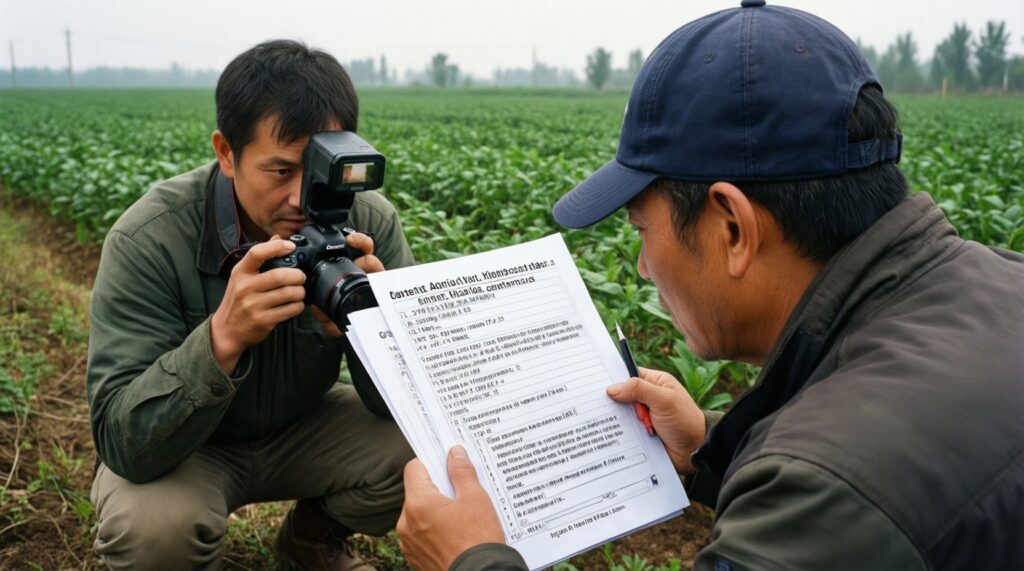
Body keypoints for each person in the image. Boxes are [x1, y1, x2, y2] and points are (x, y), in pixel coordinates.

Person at [395, 2, 1024, 570]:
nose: (642, 267)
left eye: (642, 230)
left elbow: (838, 488)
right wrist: (708, 451)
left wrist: (471, 561)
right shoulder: (1001, 277)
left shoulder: (826, 485)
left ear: (733, 228)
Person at [87, 40, 415, 570]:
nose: (299, 197)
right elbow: (121, 441)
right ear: (225, 152)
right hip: (190, 448)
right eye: (280, 171)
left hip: (304, 426)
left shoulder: (369, 221)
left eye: (319, 171)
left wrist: (371, 334)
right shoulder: (150, 236)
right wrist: (221, 341)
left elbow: (419, 398)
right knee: (151, 530)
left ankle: (310, 539)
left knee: (439, 456)